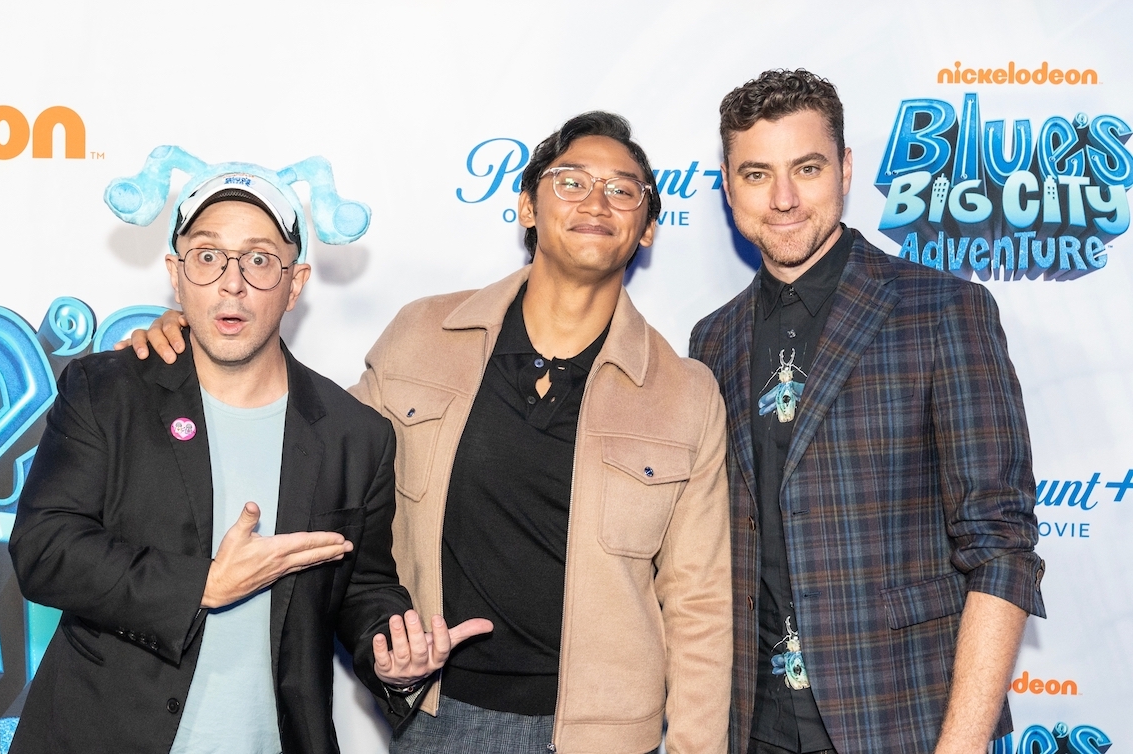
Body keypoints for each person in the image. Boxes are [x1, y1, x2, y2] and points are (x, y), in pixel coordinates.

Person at [130, 113, 734, 754]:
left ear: (645, 230)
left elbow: (698, 602)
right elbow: (317, 468)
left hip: (607, 737)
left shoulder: (685, 393)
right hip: (442, 719)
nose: (596, 201)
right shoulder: (422, 337)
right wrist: (199, 340)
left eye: (623, 189)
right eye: (571, 180)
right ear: (527, 206)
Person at [9, 158, 489, 754]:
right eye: (208, 257)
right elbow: (43, 548)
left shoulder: (354, 434)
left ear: (296, 282)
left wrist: (392, 655)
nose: (231, 283)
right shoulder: (106, 392)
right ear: (176, 275)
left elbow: (361, 586)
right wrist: (203, 584)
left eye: (260, 260)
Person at [690, 69, 1046, 754]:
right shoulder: (712, 339)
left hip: (904, 724)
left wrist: (961, 745)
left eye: (809, 167)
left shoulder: (944, 309)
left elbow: (1000, 547)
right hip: (751, 729)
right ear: (728, 185)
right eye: (758, 174)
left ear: (846, 169)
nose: (785, 198)